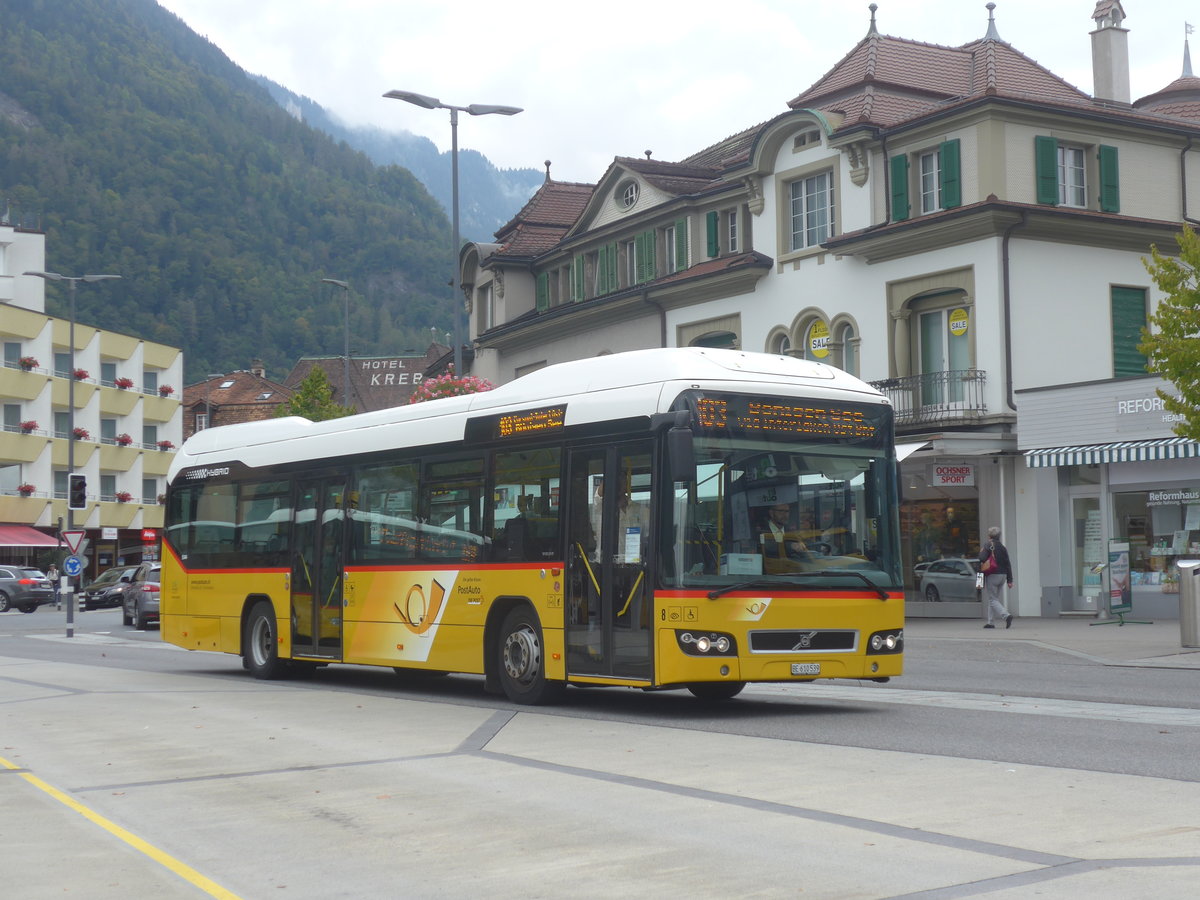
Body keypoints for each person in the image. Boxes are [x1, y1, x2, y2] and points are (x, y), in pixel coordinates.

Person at [978, 525, 1013, 629]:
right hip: (1003, 576)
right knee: (993, 599)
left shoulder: (988, 545)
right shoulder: (1003, 548)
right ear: (999, 536)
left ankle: (1006, 616)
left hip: (992, 575)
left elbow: (982, 558)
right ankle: (990, 622)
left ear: (989, 535)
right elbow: (1008, 564)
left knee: (993, 599)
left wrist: (981, 552)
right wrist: (1010, 580)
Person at [758, 503, 808, 572]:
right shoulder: (761, 531)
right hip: (768, 575)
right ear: (771, 513)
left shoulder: (792, 533)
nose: (785, 515)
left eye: (787, 511)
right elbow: (767, 548)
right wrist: (790, 546)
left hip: (790, 573)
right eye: (781, 511)